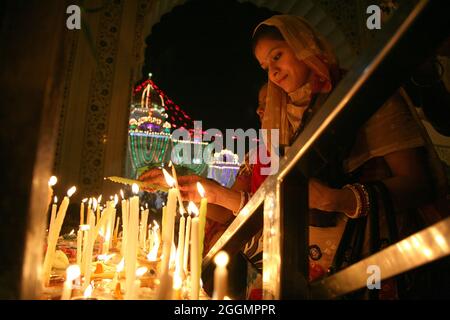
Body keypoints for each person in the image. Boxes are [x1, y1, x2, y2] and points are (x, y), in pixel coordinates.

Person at [140, 15, 449, 299]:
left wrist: (340, 200)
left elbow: (419, 184)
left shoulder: (363, 96)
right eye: (264, 66)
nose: (273, 72)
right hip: (302, 269)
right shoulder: (282, 123)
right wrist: (196, 189)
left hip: (374, 262)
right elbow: (266, 207)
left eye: (277, 55)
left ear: (305, 45)